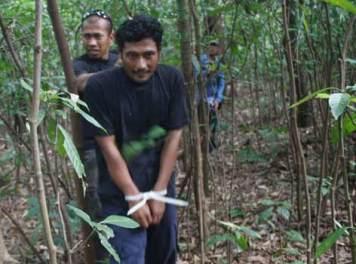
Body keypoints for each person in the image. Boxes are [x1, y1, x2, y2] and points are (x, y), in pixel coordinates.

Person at [84, 15, 189, 264]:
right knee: (128, 257)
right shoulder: (99, 88)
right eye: (132, 55)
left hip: (159, 183)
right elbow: (108, 147)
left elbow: (174, 135)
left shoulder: (171, 80)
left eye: (148, 55)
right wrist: (133, 197)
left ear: (159, 52)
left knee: (163, 255)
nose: (141, 64)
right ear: (120, 54)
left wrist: (159, 192)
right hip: (118, 191)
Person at [73, 9, 118, 219]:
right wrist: (115, 73)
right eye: (87, 36)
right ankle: (99, 251)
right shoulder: (78, 64)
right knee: (96, 200)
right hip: (92, 146)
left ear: (111, 37)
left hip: (125, 141)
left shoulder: (122, 58)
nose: (91, 42)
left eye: (97, 36)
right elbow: (79, 83)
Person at [201, 41, 225, 150]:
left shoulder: (219, 62)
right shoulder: (202, 60)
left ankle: (211, 142)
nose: (212, 49)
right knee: (203, 121)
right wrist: (208, 72)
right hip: (202, 96)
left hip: (214, 98)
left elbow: (221, 82)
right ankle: (203, 143)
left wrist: (218, 99)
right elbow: (198, 77)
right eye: (211, 46)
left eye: (215, 47)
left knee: (213, 121)